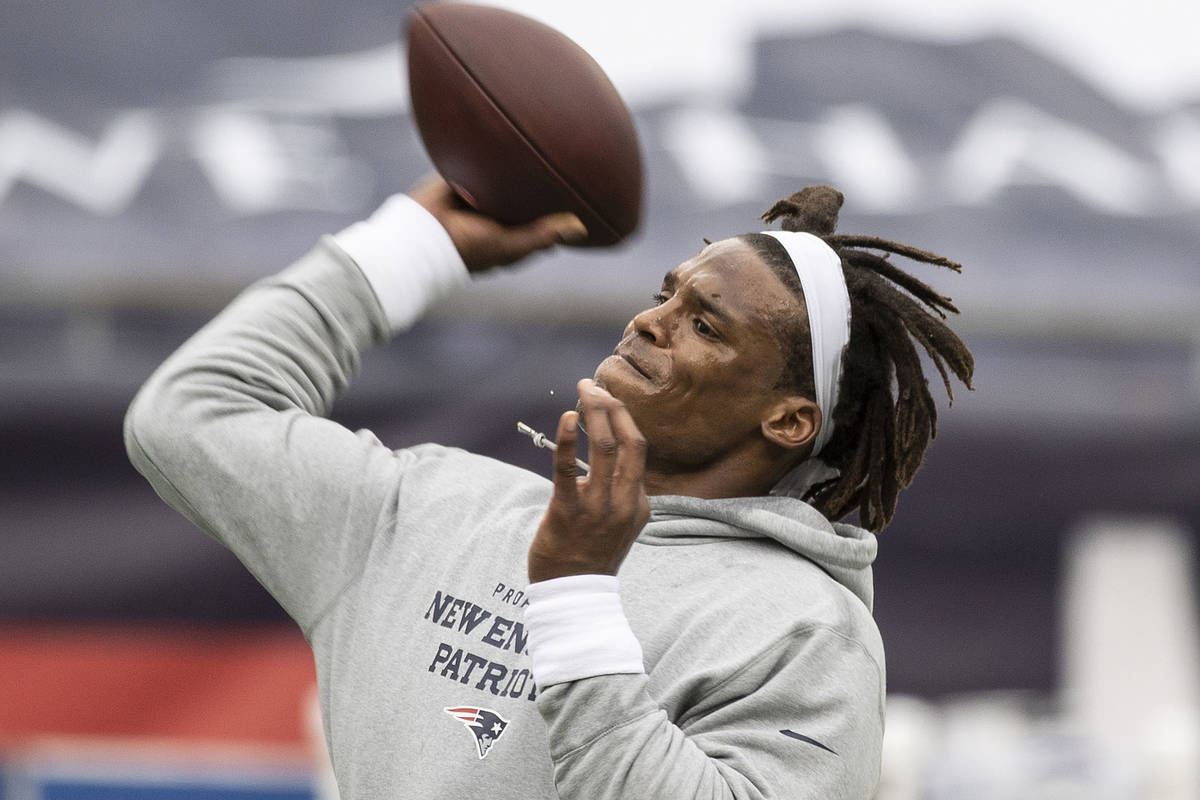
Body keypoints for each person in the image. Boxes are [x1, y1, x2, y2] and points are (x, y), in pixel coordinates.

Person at [125, 176, 973, 799]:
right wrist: (411, 246)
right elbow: (191, 418)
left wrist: (575, 596)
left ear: (787, 421)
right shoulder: (431, 508)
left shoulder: (805, 633)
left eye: (704, 323)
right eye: (664, 295)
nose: (650, 320)